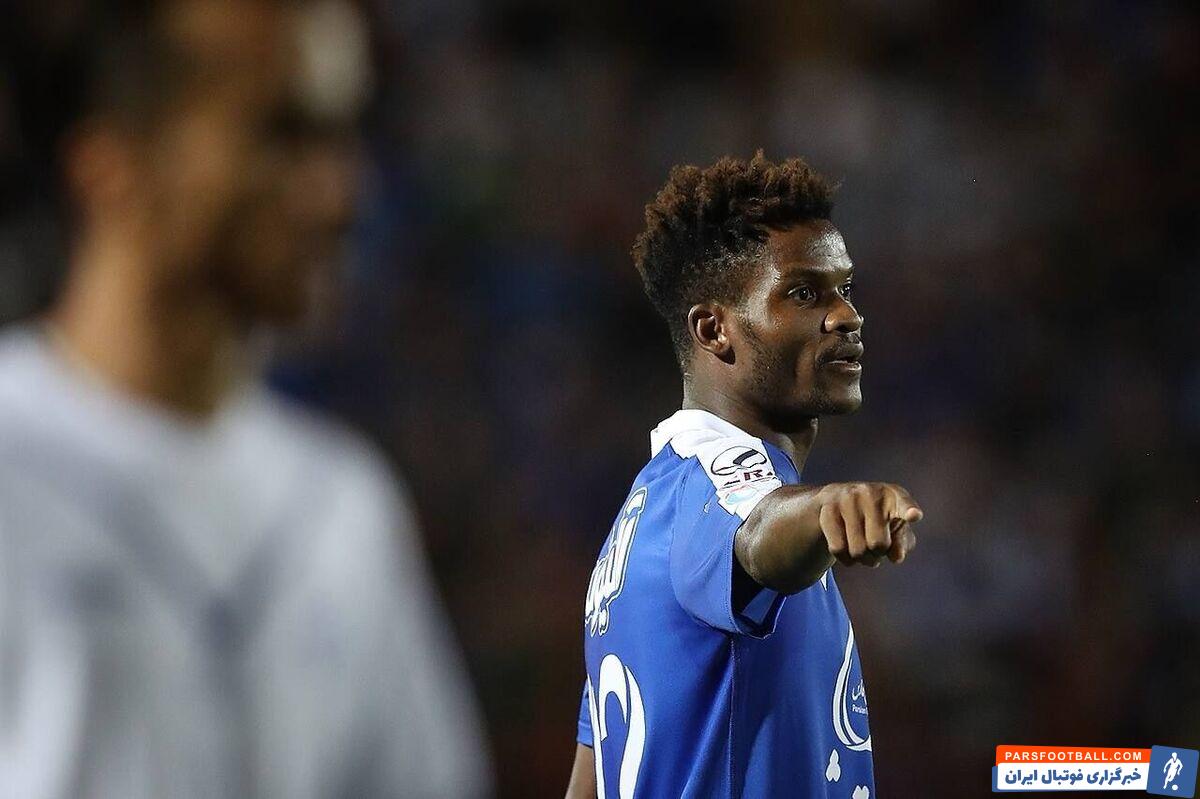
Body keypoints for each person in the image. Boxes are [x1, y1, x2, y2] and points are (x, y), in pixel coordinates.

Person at [0, 1, 490, 797]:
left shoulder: (345, 506)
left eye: (343, 138)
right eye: (283, 135)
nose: (341, 196)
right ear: (110, 162)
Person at [565, 153, 924, 798]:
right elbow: (757, 532)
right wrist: (827, 509)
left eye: (844, 289)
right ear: (714, 330)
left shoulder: (641, 520)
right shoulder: (717, 484)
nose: (846, 315)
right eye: (804, 293)